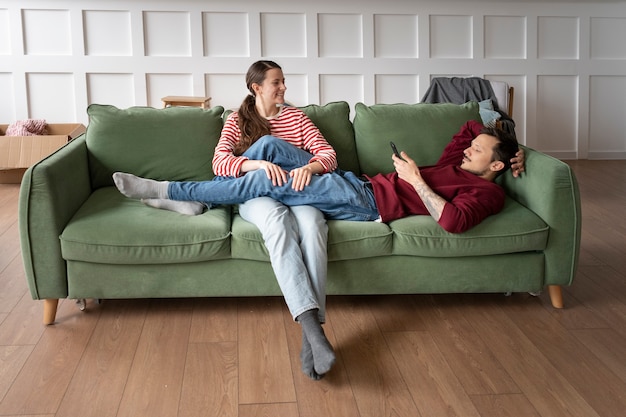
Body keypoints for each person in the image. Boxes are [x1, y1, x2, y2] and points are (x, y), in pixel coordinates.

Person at [153, 60, 338, 380]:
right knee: (278, 225)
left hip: (300, 193)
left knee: (312, 227)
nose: (283, 88)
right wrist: (257, 165)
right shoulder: (237, 120)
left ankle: (312, 337)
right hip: (259, 196)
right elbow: (221, 163)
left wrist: (309, 168)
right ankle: (313, 330)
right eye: (276, 83)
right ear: (257, 88)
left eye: (283, 81)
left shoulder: (296, 117)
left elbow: (328, 155)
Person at [114, 119, 520, 235]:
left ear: (495, 167)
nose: (469, 149)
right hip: (358, 182)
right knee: (270, 148)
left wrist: (416, 180)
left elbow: (452, 222)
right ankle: (206, 199)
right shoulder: (459, 163)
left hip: (369, 204)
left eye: (480, 151)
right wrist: (511, 142)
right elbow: (470, 126)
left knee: (269, 180)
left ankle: (172, 190)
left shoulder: (485, 193)